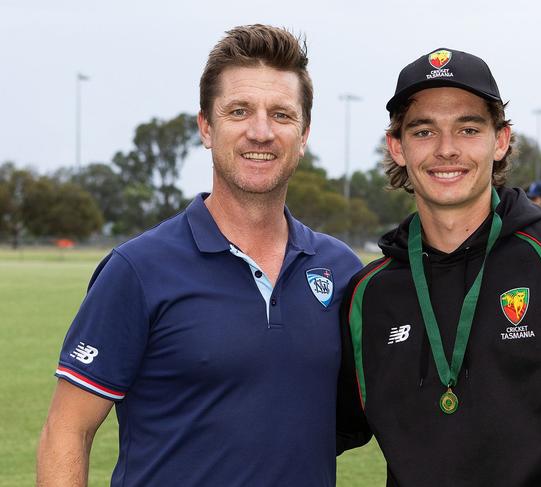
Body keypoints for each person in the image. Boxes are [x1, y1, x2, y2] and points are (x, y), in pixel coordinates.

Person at [37, 24, 362, 487]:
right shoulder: (138, 270)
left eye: (282, 115)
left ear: (304, 133)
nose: (261, 131)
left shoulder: (342, 270)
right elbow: (66, 430)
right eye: (239, 111)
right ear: (206, 127)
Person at [336, 47, 541, 486]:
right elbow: (323, 429)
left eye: (467, 128)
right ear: (397, 146)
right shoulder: (368, 295)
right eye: (424, 131)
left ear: (499, 140)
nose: (447, 150)